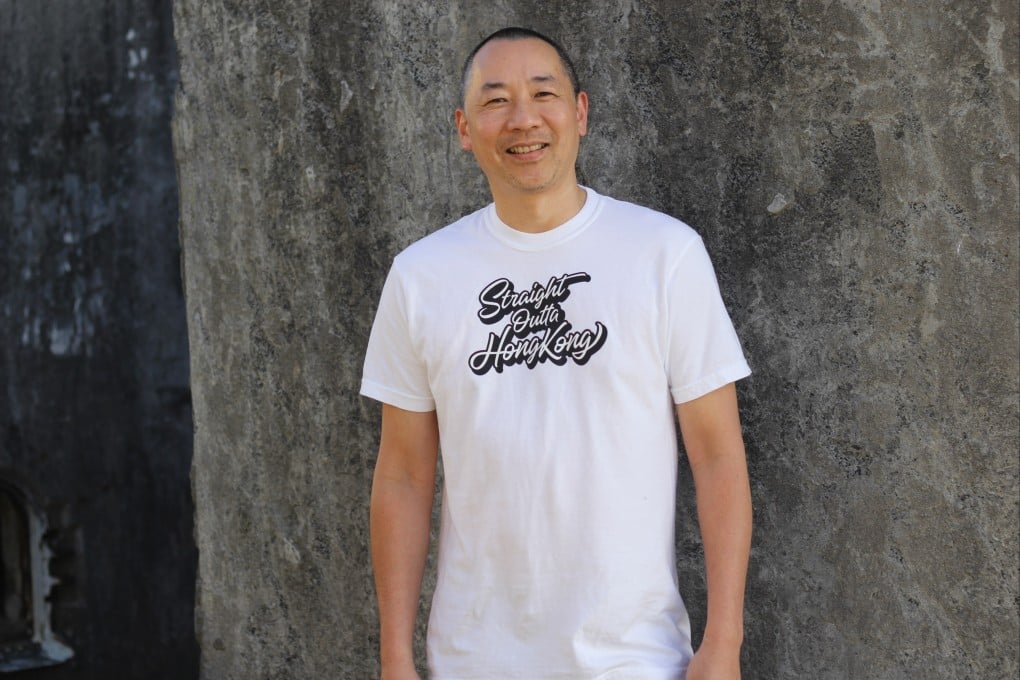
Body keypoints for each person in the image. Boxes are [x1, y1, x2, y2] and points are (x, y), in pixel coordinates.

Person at [363, 26, 752, 680]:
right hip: (473, 661)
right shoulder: (420, 277)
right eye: (495, 101)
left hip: (635, 659)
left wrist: (726, 641)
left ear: (580, 113)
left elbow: (716, 454)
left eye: (543, 94)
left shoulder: (663, 254)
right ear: (464, 128)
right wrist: (394, 658)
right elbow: (402, 474)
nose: (522, 119)